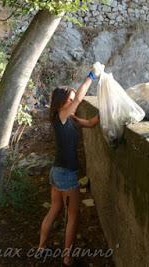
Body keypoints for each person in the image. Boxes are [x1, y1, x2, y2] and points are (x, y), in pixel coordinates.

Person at [38, 62, 104, 266]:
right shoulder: (62, 116)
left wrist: (111, 108)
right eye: (71, 99)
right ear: (61, 103)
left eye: (74, 98)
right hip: (66, 174)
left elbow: (92, 123)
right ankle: (67, 257)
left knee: (55, 209)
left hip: (56, 172)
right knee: (73, 216)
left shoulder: (70, 118)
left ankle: (41, 247)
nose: (75, 100)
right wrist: (92, 75)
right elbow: (83, 92)